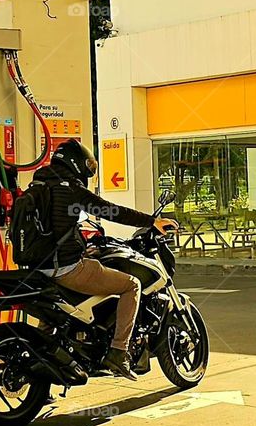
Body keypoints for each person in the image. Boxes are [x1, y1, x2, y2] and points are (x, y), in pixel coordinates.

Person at [32, 139, 177, 380]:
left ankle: (42, 375)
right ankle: (118, 352)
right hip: (65, 268)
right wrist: (152, 222)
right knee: (131, 285)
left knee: (52, 315)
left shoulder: (37, 187)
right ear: (77, 164)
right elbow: (109, 210)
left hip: (36, 269)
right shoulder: (70, 189)